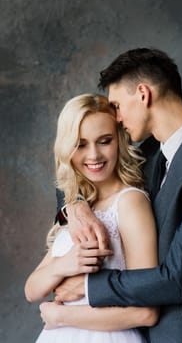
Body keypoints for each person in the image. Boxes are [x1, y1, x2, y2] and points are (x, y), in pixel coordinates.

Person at [52, 48, 182, 343]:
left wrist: (87, 287)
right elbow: (78, 168)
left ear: (143, 93)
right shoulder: (148, 155)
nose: (116, 117)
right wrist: (74, 206)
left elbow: (178, 279)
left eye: (117, 105)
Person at [24, 93, 159, 342]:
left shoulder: (130, 202)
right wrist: (64, 265)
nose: (94, 155)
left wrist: (62, 317)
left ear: (119, 140)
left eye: (104, 141)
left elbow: (146, 312)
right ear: (67, 148)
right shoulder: (78, 207)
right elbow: (32, 289)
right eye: (81, 144)